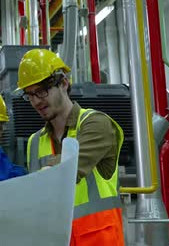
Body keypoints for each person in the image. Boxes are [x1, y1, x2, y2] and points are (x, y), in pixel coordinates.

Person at [17, 48, 124, 245]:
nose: (36, 102)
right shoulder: (34, 142)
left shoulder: (95, 123)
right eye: (29, 95)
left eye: (41, 91)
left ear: (64, 83)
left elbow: (68, 169)